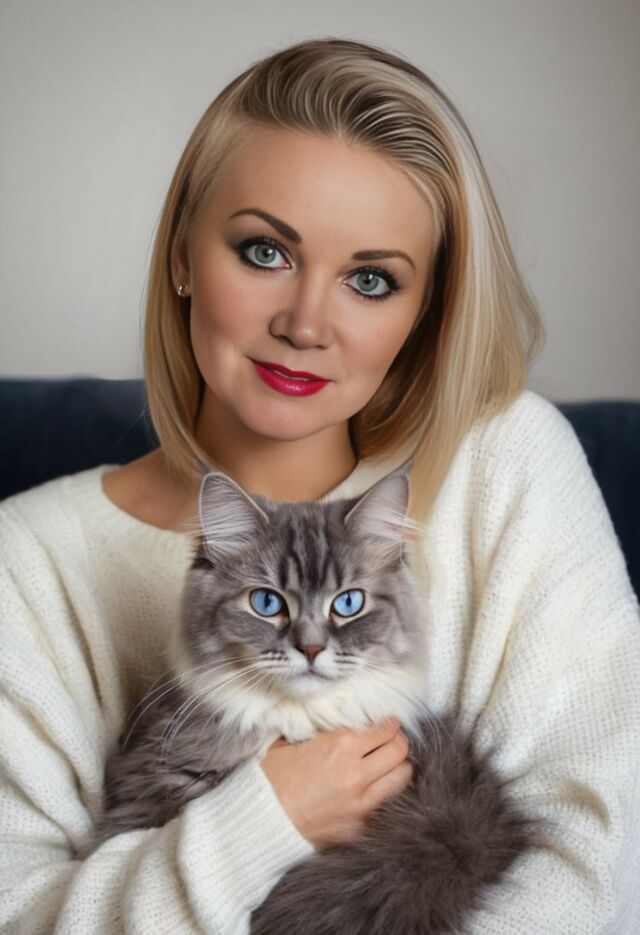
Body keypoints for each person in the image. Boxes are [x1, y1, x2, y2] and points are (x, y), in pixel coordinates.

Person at [1, 36, 639, 935]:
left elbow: (600, 862)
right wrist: (261, 821)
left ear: (425, 314)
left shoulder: (508, 459)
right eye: (265, 251)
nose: (306, 324)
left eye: (371, 279)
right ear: (181, 255)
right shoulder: (26, 561)